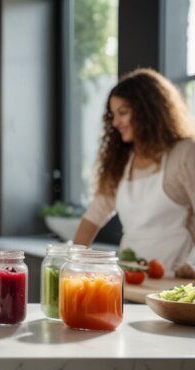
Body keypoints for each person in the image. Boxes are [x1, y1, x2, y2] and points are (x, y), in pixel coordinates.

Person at [73, 68, 195, 275]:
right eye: (113, 115)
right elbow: (94, 215)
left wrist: (191, 266)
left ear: (148, 111)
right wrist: (72, 263)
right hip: (131, 282)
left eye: (123, 112)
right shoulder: (121, 162)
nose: (115, 122)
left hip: (175, 282)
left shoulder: (184, 153)